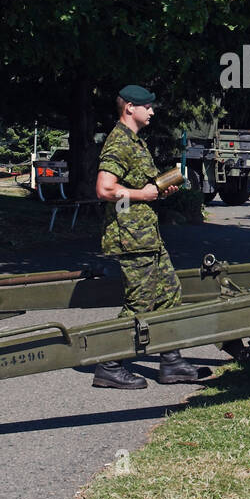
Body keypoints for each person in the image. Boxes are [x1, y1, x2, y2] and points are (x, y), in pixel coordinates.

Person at [92, 84, 202, 388]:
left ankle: (171, 361)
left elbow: (140, 189)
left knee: (169, 293)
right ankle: (109, 364)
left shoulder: (135, 142)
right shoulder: (119, 143)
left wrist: (158, 191)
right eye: (147, 106)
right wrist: (142, 193)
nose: (152, 111)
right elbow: (104, 189)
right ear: (129, 107)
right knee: (140, 302)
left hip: (146, 235)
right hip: (131, 237)